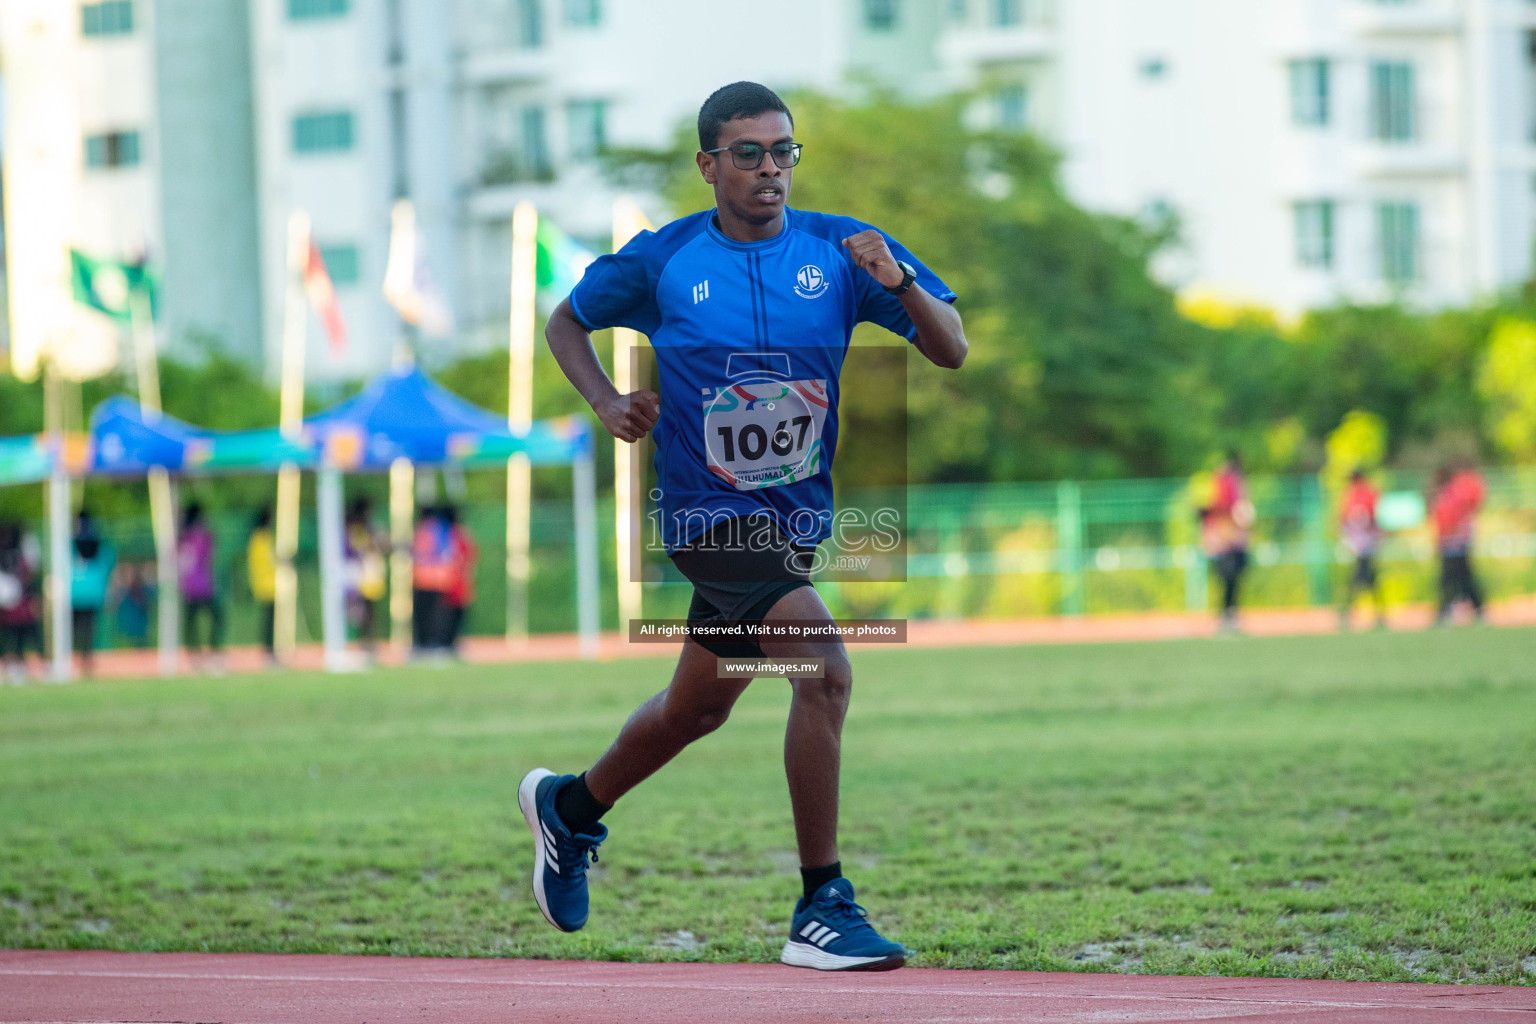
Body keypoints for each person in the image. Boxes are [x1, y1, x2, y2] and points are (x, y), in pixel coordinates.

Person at [526, 82, 966, 972]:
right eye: (751, 154)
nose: (772, 171)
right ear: (709, 165)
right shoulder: (665, 259)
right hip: (705, 514)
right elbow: (566, 319)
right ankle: (822, 905)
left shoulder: (845, 250)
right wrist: (607, 399)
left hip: (793, 520)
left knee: (696, 709)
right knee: (825, 668)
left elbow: (951, 347)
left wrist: (901, 281)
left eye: (785, 153)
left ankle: (570, 810)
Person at [1200, 451, 1253, 634]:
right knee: (1228, 579)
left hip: (1233, 541)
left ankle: (1229, 615)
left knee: (1232, 579)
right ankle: (1226, 616)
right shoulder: (1226, 487)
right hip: (1227, 542)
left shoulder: (1232, 487)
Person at [1433, 462, 1486, 624]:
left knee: (1455, 578)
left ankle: (1448, 609)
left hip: (1454, 543)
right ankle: (1465, 608)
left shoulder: (1453, 495)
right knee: (1460, 578)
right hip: (1453, 542)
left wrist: (1447, 538)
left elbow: (1453, 521)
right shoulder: (1450, 494)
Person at [177, 502, 224, 671]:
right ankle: (214, 652)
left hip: (188, 586)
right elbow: (211, 553)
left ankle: (195, 655)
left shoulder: (182, 536)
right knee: (215, 618)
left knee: (191, 624)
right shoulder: (202, 536)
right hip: (203, 585)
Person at [70, 510, 117, 677]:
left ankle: (81, 658)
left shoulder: (72, 543)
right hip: (91, 593)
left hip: (77, 592)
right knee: (87, 629)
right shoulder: (98, 543)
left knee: (77, 629)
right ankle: (84, 658)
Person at [1338, 469, 1385, 630]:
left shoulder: (1356, 495)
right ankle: (1375, 613)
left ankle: (1348, 611)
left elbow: (1346, 519)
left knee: (1360, 579)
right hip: (1364, 544)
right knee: (1367, 579)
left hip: (1361, 544)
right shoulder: (1365, 493)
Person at [0, 522, 44, 682]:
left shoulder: (20, 553)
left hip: (20, 605)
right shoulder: (16, 555)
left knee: (25, 634)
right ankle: (16, 665)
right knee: (16, 636)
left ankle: (32, 664)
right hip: (12, 606)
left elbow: (31, 573)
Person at [345, 497, 388, 657]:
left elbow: (383, 543)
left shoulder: (370, 527)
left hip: (369, 574)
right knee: (359, 610)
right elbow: (358, 548)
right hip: (357, 574)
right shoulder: (355, 528)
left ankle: (367, 643)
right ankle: (361, 643)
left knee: (368, 611)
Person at [411, 507, 453, 654]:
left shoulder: (421, 529)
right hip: (436, 579)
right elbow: (447, 553)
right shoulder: (441, 529)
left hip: (422, 578)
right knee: (435, 614)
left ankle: (423, 643)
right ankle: (434, 644)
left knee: (422, 615)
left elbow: (414, 553)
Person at [441, 505, 477, 654]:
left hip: (454, 580)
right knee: (451, 614)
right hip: (453, 580)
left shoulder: (452, 534)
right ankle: (448, 642)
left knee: (454, 614)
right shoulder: (459, 534)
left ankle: (452, 642)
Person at [247, 506, 278, 666]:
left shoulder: (257, 538)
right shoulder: (262, 538)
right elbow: (268, 560)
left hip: (265, 584)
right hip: (267, 585)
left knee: (270, 620)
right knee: (270, 621)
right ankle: (269, 651)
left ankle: (270, 650)